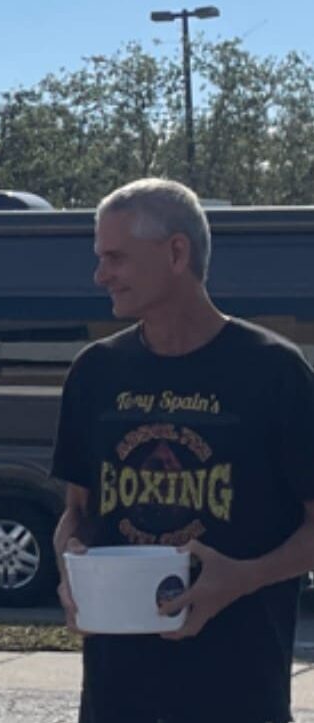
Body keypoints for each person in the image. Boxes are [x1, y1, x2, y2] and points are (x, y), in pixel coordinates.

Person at [52, 178, 314, 723]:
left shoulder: (275, 373)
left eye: (115, 257)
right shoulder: (94, 373)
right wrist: (70, 566)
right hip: (115, 696)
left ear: (176, 252)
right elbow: (79, 514)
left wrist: (243, 578)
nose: (100, 275)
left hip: (239, 695)